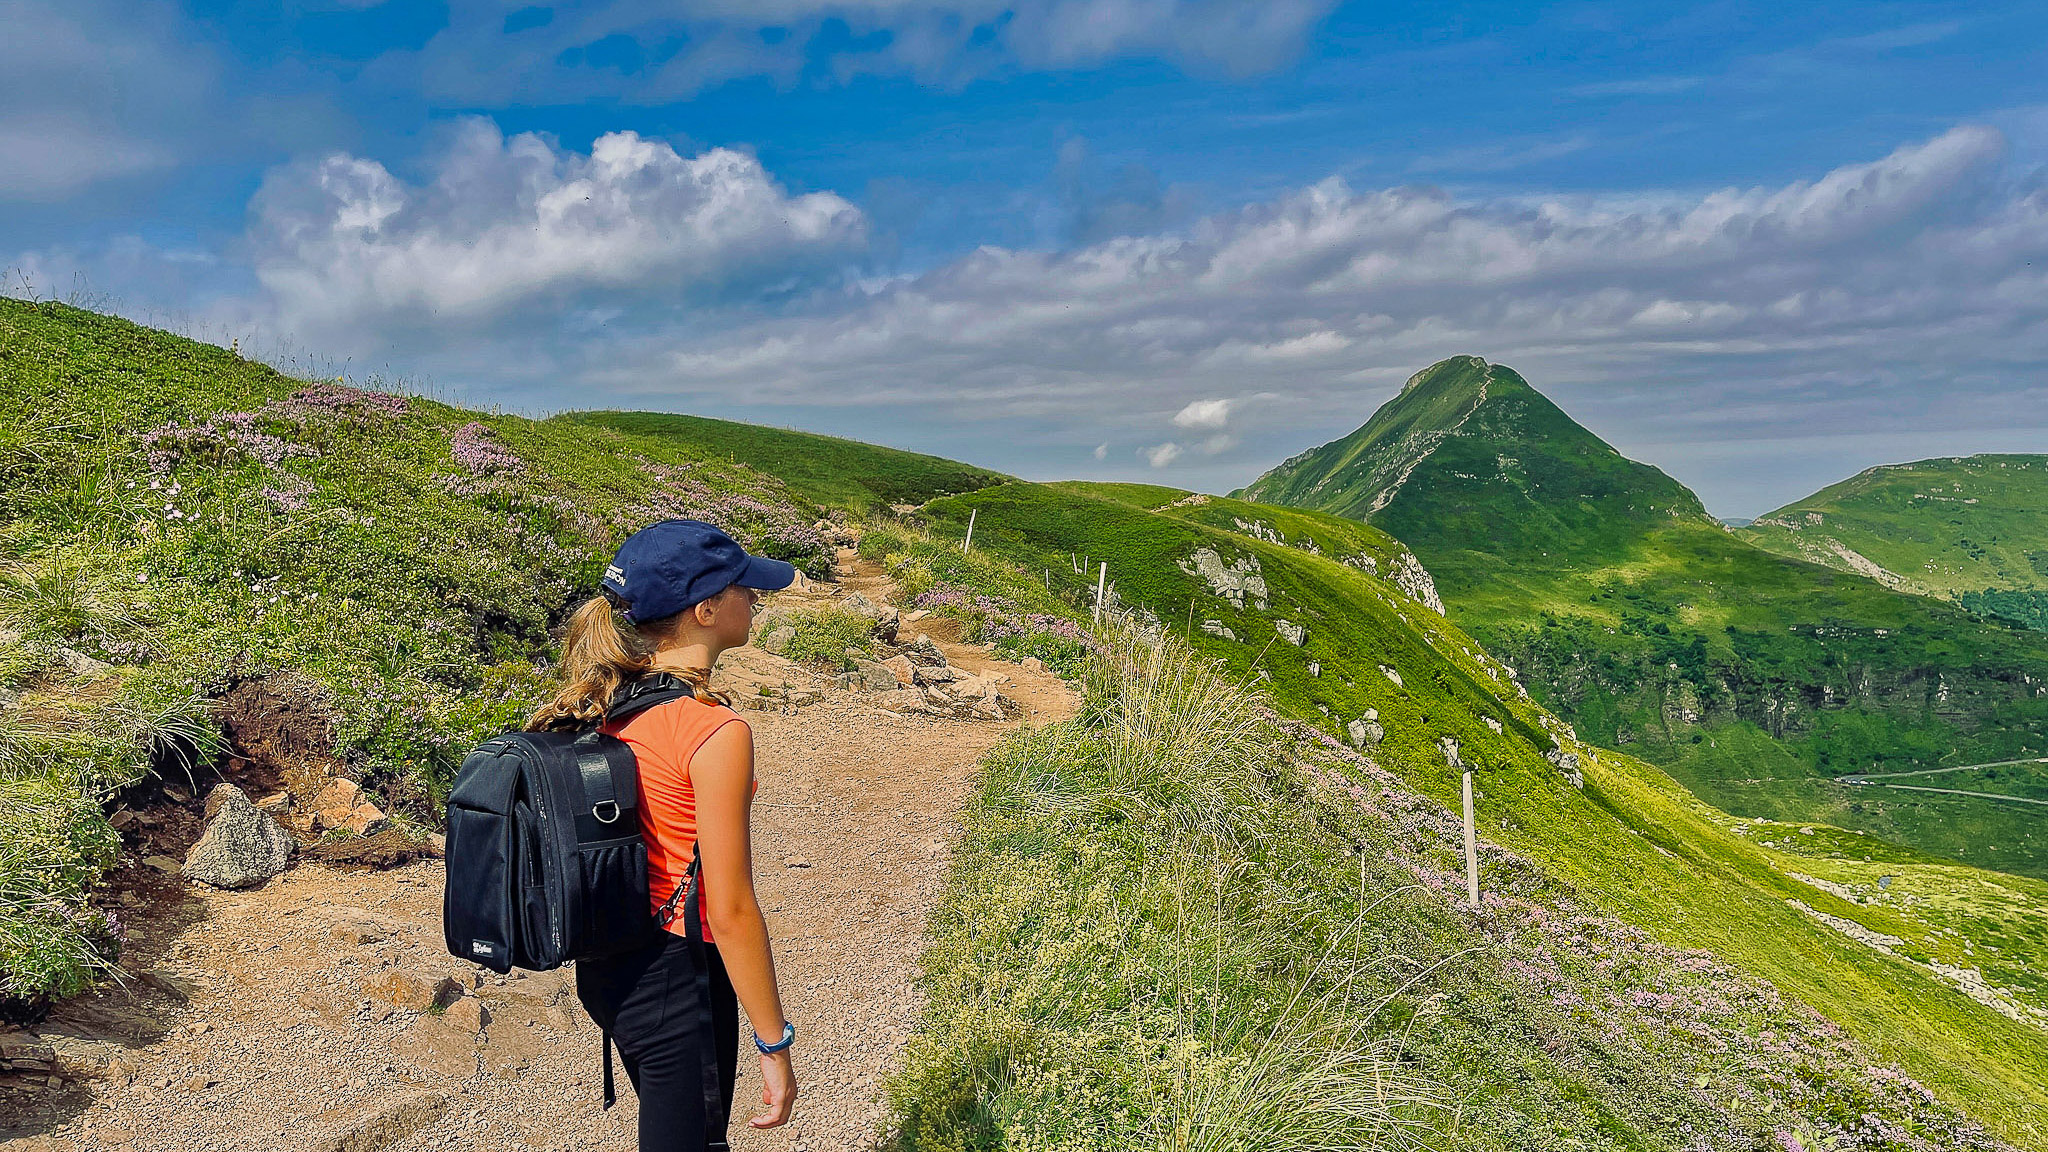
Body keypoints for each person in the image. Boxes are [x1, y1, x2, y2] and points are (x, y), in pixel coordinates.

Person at [526, 519, 800, 1150]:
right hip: (680, 977)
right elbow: (729, 910)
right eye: (742, 588)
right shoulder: (713, 730)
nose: (754, 599)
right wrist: (773, 1042)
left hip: (610, 963)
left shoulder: (603, 699)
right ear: (706, 610)